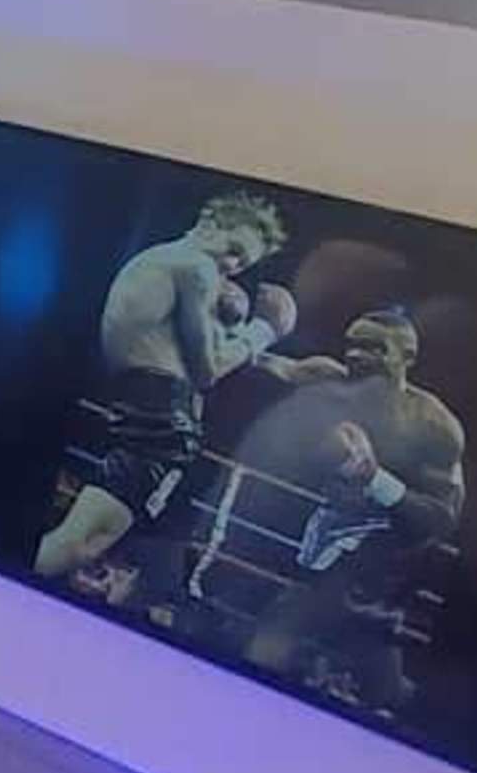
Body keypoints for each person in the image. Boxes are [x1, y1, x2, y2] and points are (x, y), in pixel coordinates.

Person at [34, 187, 299, 588]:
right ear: (209, 223)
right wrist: (263, 332)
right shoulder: (197, 268)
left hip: (142, 406)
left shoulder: (160, 260)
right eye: (233, 249)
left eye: (241, 263)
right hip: (160, 419)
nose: (230, 266)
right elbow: (208, 372)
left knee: (89, 543)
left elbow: (190, 353)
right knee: (79, 545)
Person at [228, 306, 466, 710]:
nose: (357, 356)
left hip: (380, 561)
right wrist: (254, 335)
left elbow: (440, 519)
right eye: (353, 345)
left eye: (375, 348)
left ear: (407, 357)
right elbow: (260, 366)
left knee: (278, 635)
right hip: (312, 541)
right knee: (379, 680)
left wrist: (374, 479)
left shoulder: (432, 424)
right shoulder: (325, 379)